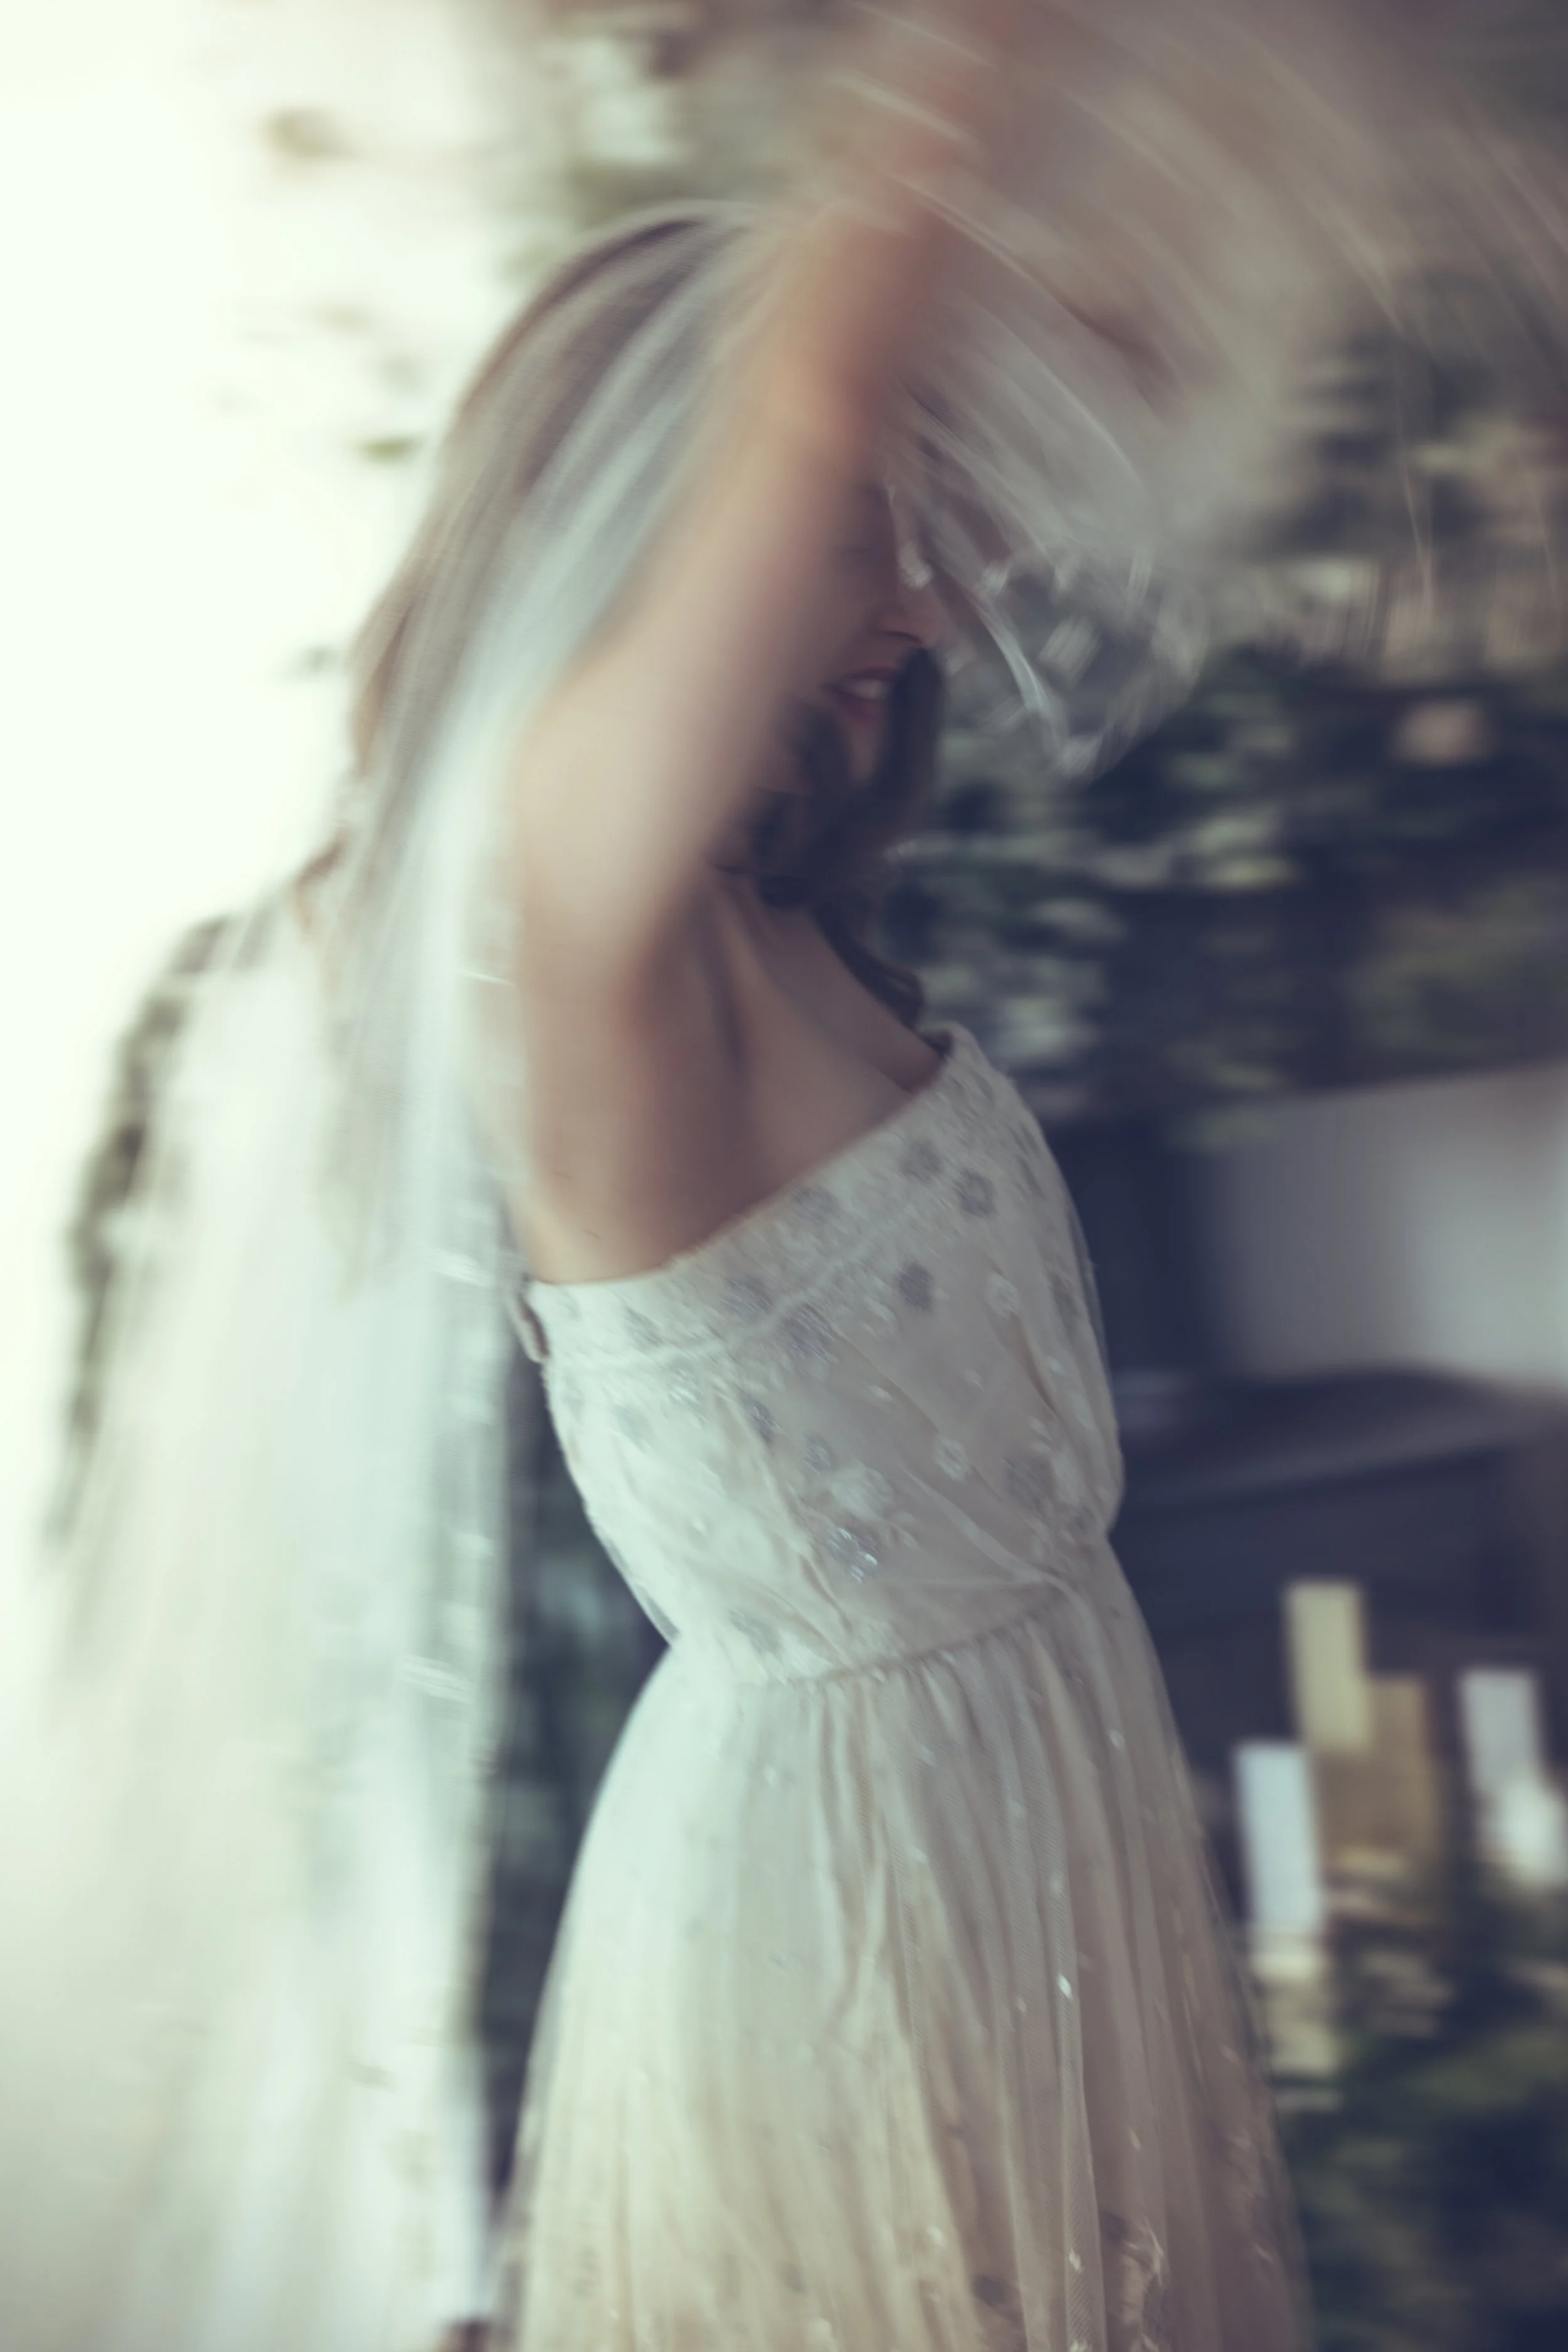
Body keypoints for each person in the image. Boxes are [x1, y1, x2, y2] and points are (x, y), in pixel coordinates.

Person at [8, 3, 1566, 2346]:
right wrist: (971, 56)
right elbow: (813, 396)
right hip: (858, 1871)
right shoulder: (573, 911)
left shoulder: (769, 917)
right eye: (870, 534)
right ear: (657, 543)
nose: (932, 599)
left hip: (1030, 1769)